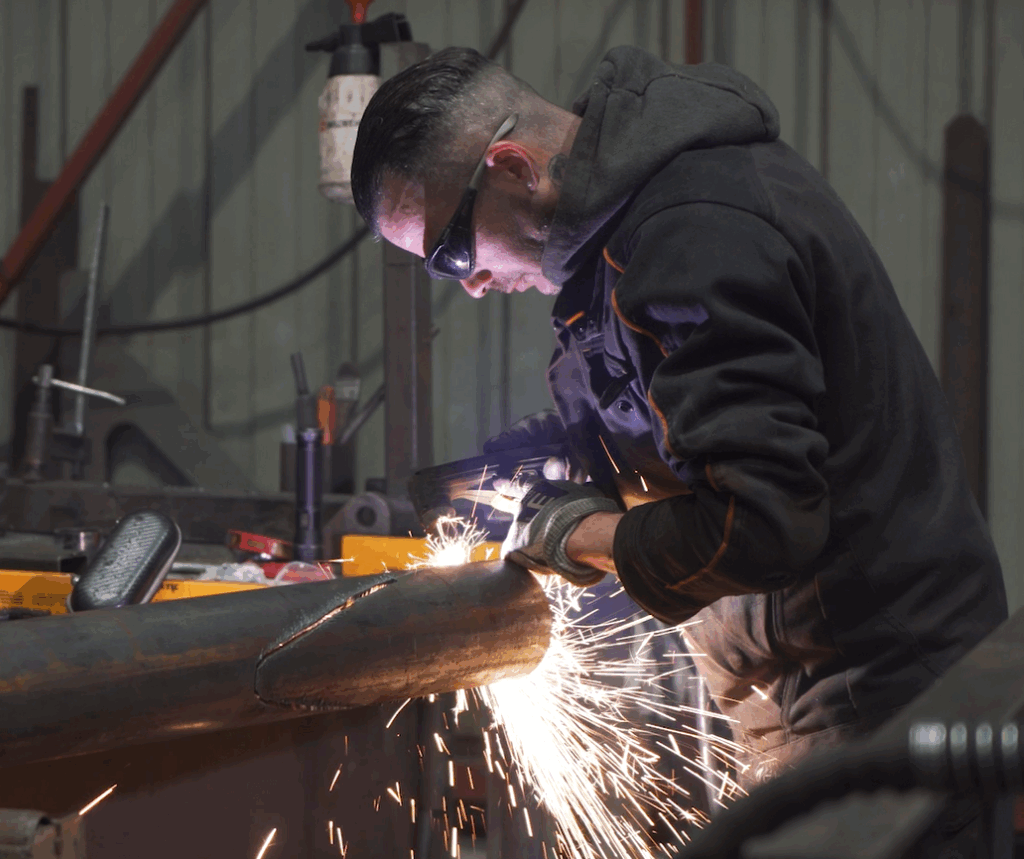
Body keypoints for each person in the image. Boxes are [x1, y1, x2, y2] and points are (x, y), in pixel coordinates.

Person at [351, 46, 1009, 852]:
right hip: (808, 692)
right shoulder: (626, 234)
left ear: (512, 165)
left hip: (879, 705)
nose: (472, 284)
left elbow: (763, 522)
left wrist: (575, 534)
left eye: (454, 251)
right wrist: (538, 463)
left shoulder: (692, 234)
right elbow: (681, 418)